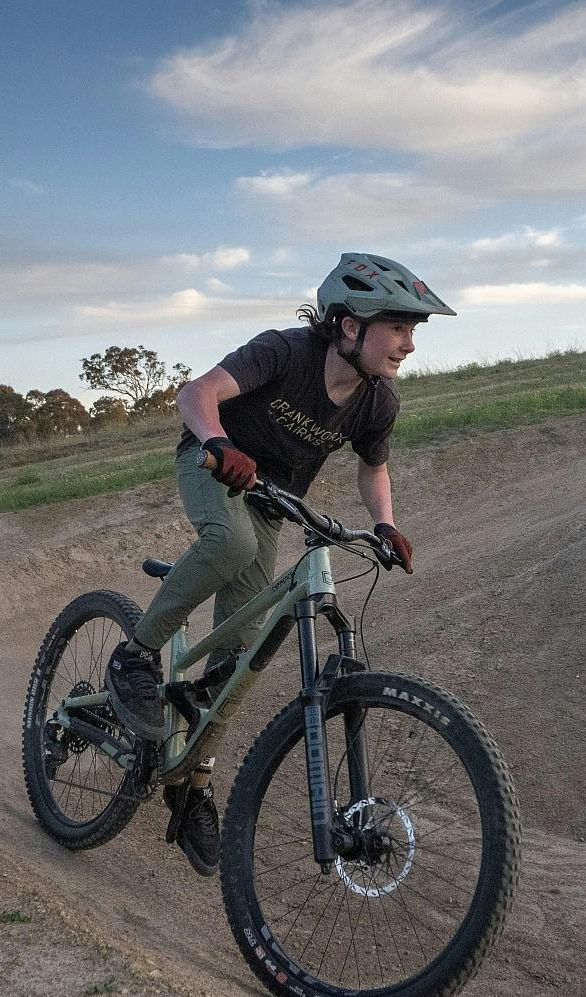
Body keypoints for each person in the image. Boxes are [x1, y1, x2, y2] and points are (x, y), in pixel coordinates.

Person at [105, 252, 456, 865]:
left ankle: (191, 788)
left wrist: (385, 524)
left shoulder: (377, 402)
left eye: (413, 332)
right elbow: (197, 393)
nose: (408, 344)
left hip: (272, 501)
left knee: (238, 658)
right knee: (230, 542)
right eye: (398, 328)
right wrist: (217, 440)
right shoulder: (284, 352)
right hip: (211, 463)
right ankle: (132, 657)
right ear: (351, 325)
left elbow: (374, 467)